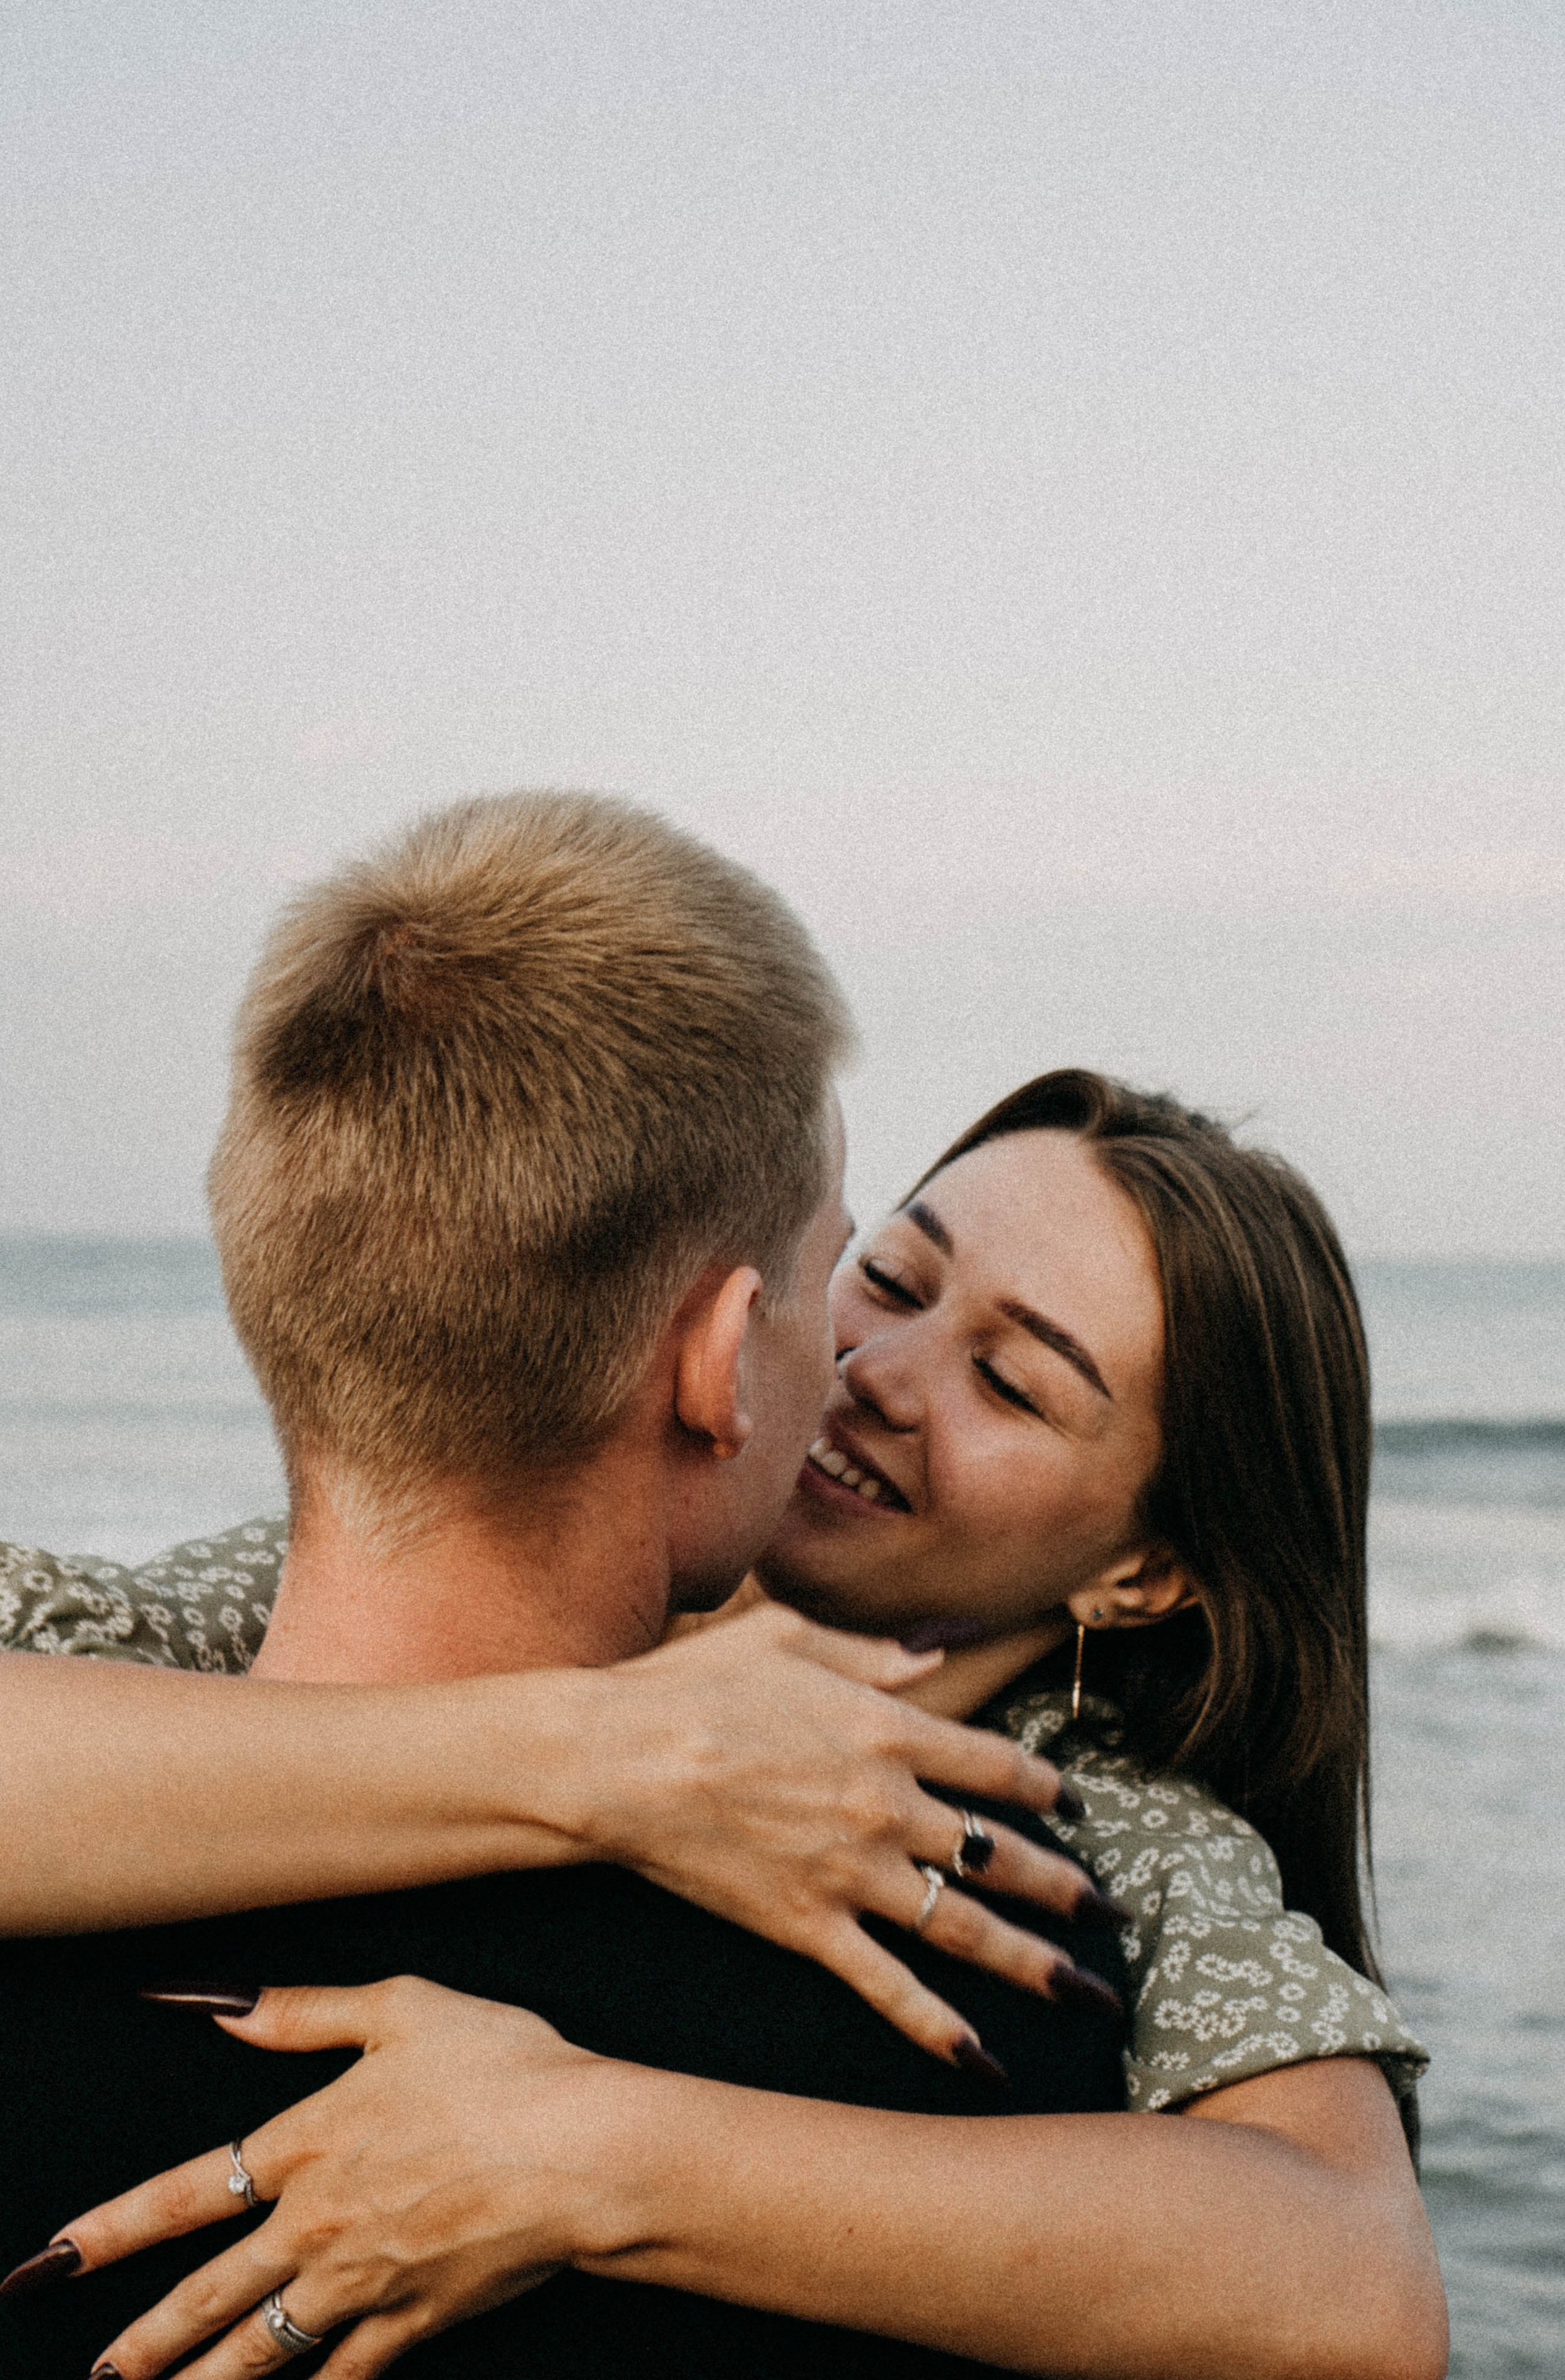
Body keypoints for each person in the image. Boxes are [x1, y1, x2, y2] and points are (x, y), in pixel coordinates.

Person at [0, 780, 1444, 2373]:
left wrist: (584, 2153)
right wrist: (603, 1757)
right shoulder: (233, 1613)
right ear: (730, 1341)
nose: (877, 1368)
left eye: (1014, 1385)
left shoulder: (1092, 1846)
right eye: (883, 1275)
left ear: (1145, 1570)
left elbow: (1353, 2288)